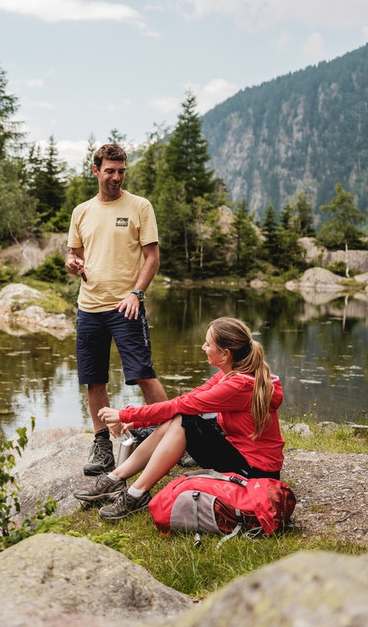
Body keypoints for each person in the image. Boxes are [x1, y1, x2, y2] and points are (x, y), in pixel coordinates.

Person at [73, 316, 285, 520]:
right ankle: (116, 478)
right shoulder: (228, 374)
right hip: (241, 456)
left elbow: (181, 406)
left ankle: (136, 494)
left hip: (254, 472)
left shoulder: (238, 385)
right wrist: (137, 421)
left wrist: (124, 414)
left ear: (225, 354)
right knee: (180, 415)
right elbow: (187, 399)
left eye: (208, 344)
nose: (203, 347)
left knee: (184, 419)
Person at [65, 143, 168, 477]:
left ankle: (175, 436)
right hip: (89, 307)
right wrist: (72, 262)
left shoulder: (140, 206)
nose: (116, 177)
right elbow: (75, 254)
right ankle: (103, 446)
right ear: (96, 171)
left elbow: (152, 257)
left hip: (126, 306)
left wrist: (137, 293)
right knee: (93, 378)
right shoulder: (81, 211)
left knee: (143, 373)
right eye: (110, 171)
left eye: (121, 171)